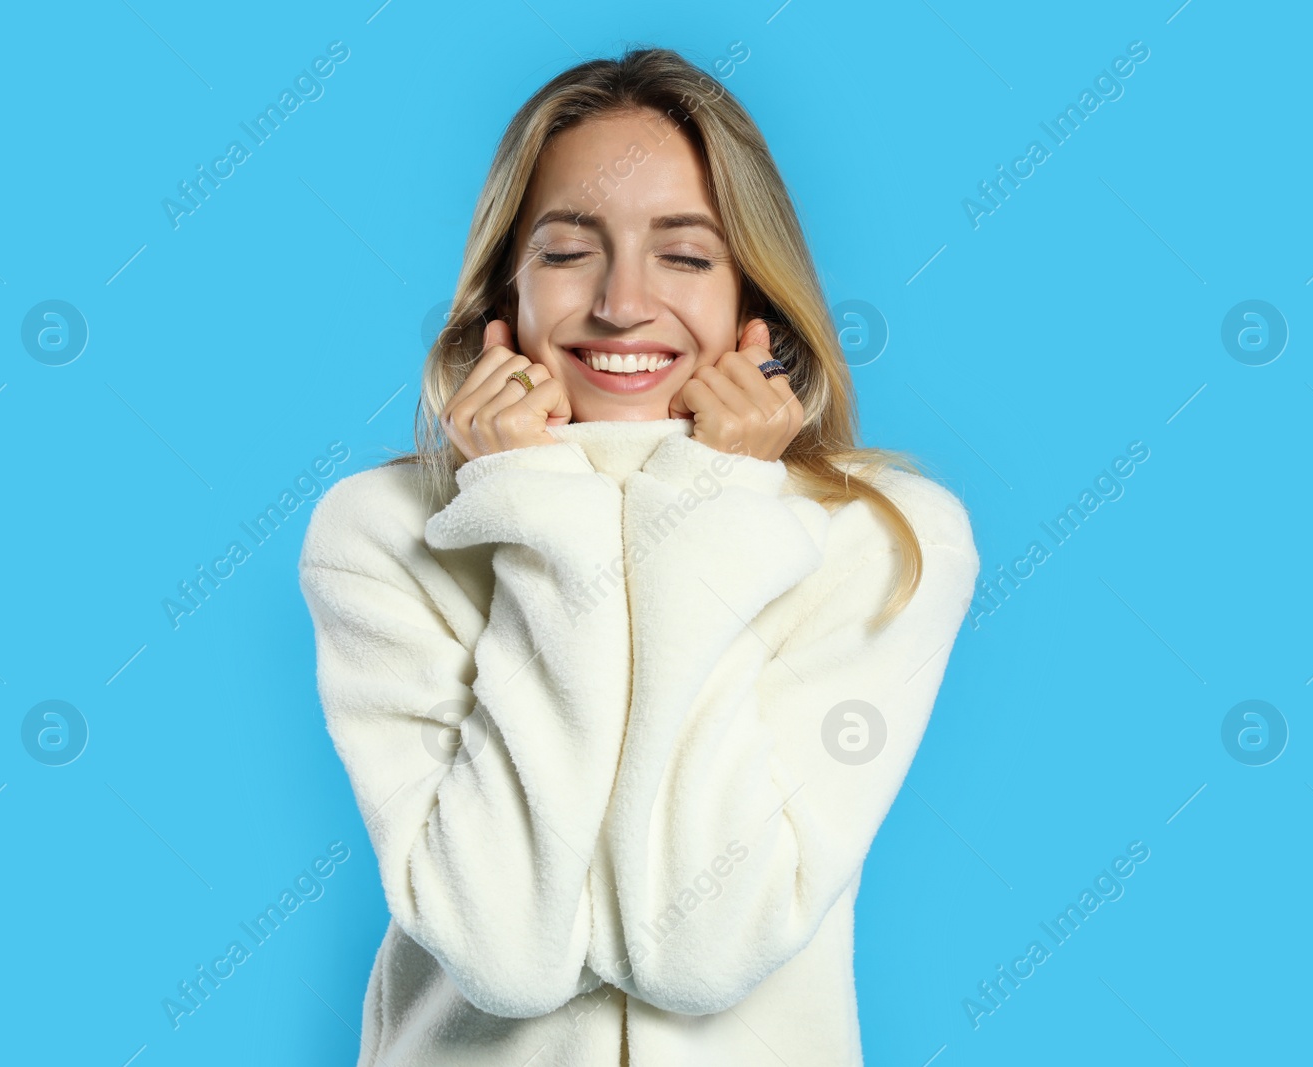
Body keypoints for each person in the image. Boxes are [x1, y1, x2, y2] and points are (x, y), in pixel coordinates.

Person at [298, 45, 980, 1066]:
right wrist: (531, 508)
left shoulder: (889, 537)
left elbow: (696, 946)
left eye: (685, 254)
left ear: (754, 293)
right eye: (569, 251)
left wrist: (717, 503)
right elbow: (504, 950)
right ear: (504, 294)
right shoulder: (379, 531)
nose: (622, 302)